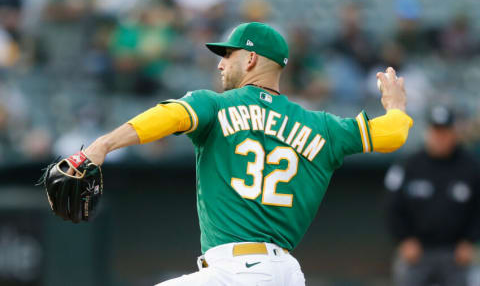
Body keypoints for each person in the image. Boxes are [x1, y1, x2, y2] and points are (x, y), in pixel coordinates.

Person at [70, 22, 412, 285]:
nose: (220, 65)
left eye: (227, 55)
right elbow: (393, 133)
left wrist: (101, 146)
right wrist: (395, 106)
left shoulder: (214, 105)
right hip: (286, 273)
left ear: (250, 58)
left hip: (238, 270)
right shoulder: (322, 126)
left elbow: (170, 115)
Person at [385, 106, 480, 286]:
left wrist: (471, 241)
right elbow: (392, 207)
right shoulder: (408, 166)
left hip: (456, 253)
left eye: (445, 132)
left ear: (454, 133)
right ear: (427, 132)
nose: (440, 137)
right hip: (417, 252)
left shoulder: (471, 167)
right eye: (436, 132)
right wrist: (404, 239)